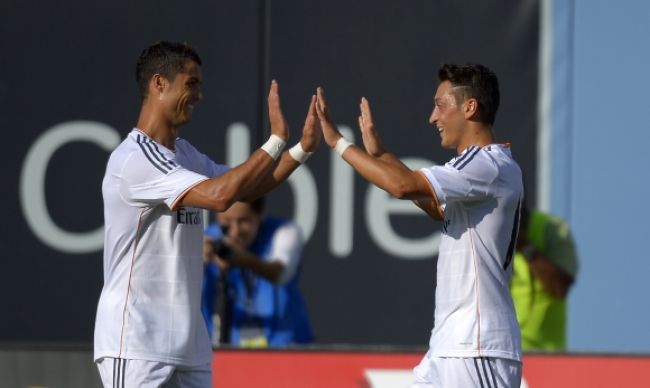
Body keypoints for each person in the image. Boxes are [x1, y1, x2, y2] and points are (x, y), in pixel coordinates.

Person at [93, 41, 321, 388]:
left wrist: (301, 149)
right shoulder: (134, 159)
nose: (199, 95)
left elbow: (245, 190)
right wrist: (275, 141)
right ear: (159, 84)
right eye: (191, 83)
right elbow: (221, 196)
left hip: (189, 344)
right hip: (138, 340)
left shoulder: (184, 154)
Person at [314, 64, 523, 387]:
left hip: (476, 346)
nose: (432, 117)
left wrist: (339, 143)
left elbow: (401, 186)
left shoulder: (485, 163)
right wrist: (381, 154)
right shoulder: (482, 169)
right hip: (449, 345)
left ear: (470, 107)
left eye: (440, 105)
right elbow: (434, 206)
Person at [201, 197, 314, 348]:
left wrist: (243, 259)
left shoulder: (284, 231)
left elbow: (280, 274)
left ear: (261, 213)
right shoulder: (204, 240)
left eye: (244, 221)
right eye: (226, 222)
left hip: (286, 350)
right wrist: (195, 261)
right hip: (224, 352)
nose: (235, 232)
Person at [510, 206, 578, 352]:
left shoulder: (551, 229)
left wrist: (525, 246)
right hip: (504, 349)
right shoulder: (487, 233)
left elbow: (559, 287)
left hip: (545, 355)